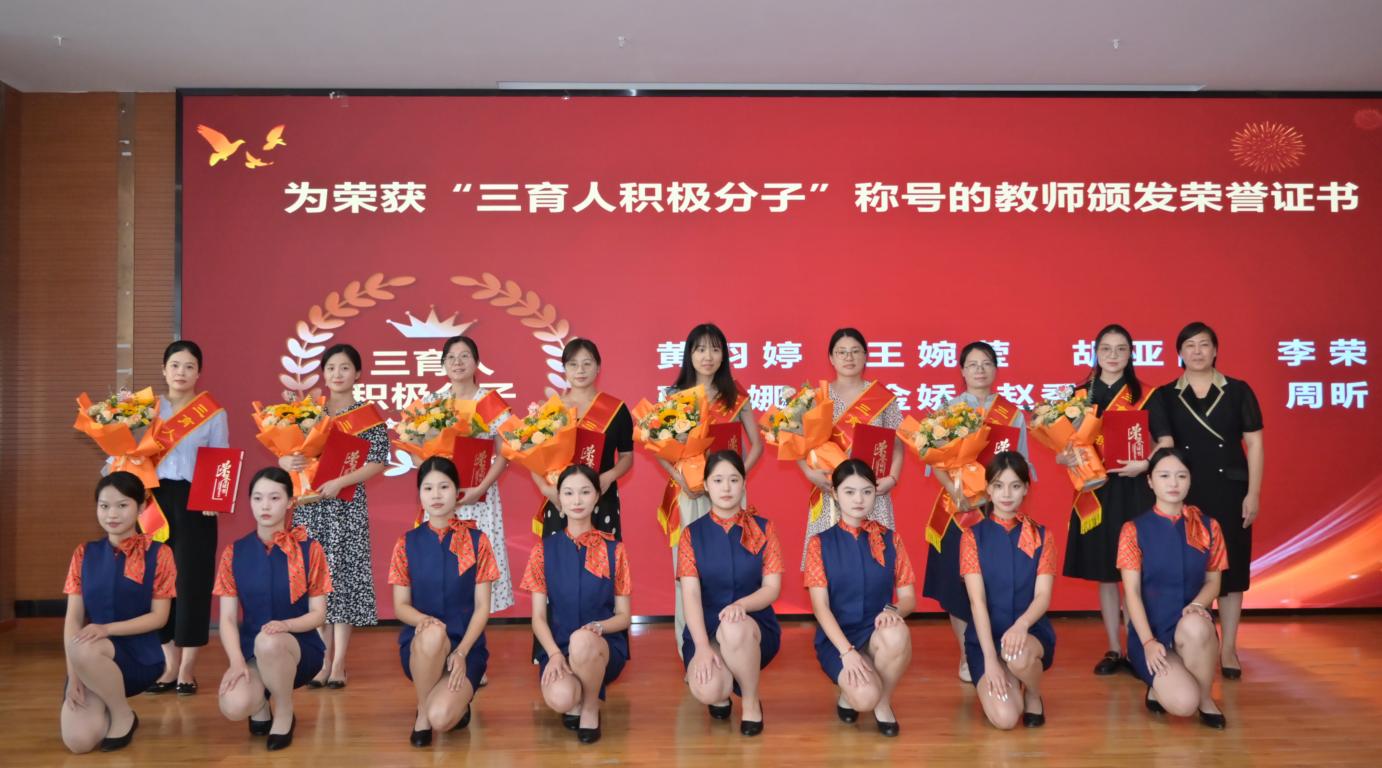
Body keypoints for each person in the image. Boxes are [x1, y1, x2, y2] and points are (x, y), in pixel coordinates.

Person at [1150, 321, 1263, 679]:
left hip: (1230, 490)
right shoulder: (1166, 395)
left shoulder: (1238, 390)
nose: (1197, 352)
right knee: (1187, 571)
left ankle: (1228, 648)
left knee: (1231, 573)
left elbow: (1255, 444)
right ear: (1179, 353)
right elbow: (1164, 446)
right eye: (1189, 345)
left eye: (1204, 345)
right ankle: (1188, 642)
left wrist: (1253, 492)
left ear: (1215, 350)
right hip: (1184, 493)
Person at [922, 341, 1033, 682]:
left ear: (996, 369)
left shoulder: (1012, 414)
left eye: (986, 363)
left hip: (998, 510)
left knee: (996, 584)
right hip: (958, 509)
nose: (980, 370)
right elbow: (934, 460)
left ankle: (998, 651)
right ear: (962, 370)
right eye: (972, 364)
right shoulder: (948, 410)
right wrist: (956, 492)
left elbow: (1022, 464)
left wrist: (1001, 496)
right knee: (957, 587)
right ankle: (967, 655)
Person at [1058, 324, 1160, 675]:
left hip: (1135, 488)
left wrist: (1146, 464)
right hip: (1096, 491)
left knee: (1135, 571)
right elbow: (1063, 444)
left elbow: (1165, 440)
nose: (1113, 355)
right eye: (1106, 349)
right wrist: (1064, 457)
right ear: (1096, 353)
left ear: (1131, 354)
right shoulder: (1079, 395)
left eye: (1120, 349)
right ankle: (1115, 648)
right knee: (1106, 574)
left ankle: (1138, 647)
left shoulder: (1146, 394)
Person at [284, 343, 388, 688]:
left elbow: (378, 461)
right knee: (316, 582)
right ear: (323, 374)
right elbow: (290, 452)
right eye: (331, 368)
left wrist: (341, 481)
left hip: (346, 505)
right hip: (310, 508)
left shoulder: (367, 416)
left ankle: (339, 662)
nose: (337, 374)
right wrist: (287, 461)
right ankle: (321, 660)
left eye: (345, 368)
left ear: (358, 373)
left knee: (343, 581)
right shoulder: (308, 413)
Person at [659, 323, 763, 655]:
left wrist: (736, 479)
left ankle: (733, 645)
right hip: (690, 496)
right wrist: (681, 481)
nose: (708, 356)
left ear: (724, 355)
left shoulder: (735, 394)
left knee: (733, 568)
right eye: (701, 349)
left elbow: (757, 444)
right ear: (689, 354)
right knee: (688, 575)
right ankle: (691, 651)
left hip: (730, 498)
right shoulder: (676, 396)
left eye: (715, 349)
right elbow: (660, 449)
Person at [214, 467, 332, 750]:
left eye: (274, 498)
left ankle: (284, 710)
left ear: (290, 502)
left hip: (299, 648)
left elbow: (319, 614)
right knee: (234, 705)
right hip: (253, 651)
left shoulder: (310, 549)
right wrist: (236, 662)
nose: (265, 506)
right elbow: (227, 619)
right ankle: (260, 706)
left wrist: (286, 626)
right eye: (257, 498)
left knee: (269, 641)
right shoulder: (234, 552)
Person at [60, 472, 176, 753]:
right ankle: (108, 705)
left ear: (140, 506)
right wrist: (74, 675)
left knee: (86, 646)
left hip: (140, 658)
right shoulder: (83, 553)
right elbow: (73, 619)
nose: (112, 514)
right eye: (104, 506)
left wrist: (106, 629)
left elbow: (159, 617)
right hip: (89, 659)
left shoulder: (160, 554)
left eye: (122, 505)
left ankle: (122, 714)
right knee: (79, 742)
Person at [520, 465, 632, 744]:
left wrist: (598, 628)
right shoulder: (542, 550)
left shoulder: (614, 550)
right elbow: (538, 618)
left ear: (597, 496)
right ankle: (577, 693)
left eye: (585, 492)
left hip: (603, 647)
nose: (577, 500)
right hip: (558, 647)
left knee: (583, 640)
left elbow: (624, 617)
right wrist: (554, 654)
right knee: (561, 699)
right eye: (569, 493)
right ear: (558, 497)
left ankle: (591, 706)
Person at [389, 456, 497, 747]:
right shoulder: (406, 543)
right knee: (433, 634)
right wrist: (424, 622)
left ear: (457, 492)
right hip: (422, 645)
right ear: (419, 494)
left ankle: (450, 702)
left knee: (443, 718)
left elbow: (482, 607)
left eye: (444, 487)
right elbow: (401, 606)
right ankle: (422, 710)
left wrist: (461, 652)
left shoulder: (478, 540)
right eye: (428, 488)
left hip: (465, 646)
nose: (436, 495)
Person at [1118, 447, 1229, 729]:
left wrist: (1197, 605)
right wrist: (1147, 642)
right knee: (1182, 705)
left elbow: (1214, 582)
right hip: (1151, 631)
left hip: (1189, 628)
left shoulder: (1209, 527)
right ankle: (1160, 686)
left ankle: (1206, 698)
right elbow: (1131, 593)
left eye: (1181, 475)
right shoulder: (1133, 530)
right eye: (1164, 476)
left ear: (1190, 480)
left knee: (1196, 625)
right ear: (1150, 481)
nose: (1173, 483)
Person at [804, 459, 915, 737]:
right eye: (850, 491)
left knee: (897, 633)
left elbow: (908, 598)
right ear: (835, 493)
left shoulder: (890, 538)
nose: (858, 499)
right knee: (863, 698)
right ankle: (854, 692)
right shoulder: (820, 543)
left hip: (876, 631)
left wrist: (892, 611)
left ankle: (883, 702)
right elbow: (820, 607)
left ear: (876, 492)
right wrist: (848, 652)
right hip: (838, 638)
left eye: (866, 491)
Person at [142, 340, 229, 695]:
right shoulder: (146, 409)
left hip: (197, 502)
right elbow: (128, 454)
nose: (181, 372)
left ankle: (187, 669)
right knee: (157, 580)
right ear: (164, 370)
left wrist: (215, 498)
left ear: (199, 372)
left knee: (192, 582)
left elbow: (220, 458)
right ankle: (168, 665)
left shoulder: (211, 412)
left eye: (189, 366)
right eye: (175, 365)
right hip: (153, 500)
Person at [678, 450, 782, 736]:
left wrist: (741, 606)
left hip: (753, 626)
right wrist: (701, 646)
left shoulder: (763, 528)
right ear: (706, 485)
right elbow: (691, 595)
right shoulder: (691, 534)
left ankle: (750, 700)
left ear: (744, 483)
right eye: (718, 480)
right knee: (708, 688)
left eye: (734, 480)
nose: (726, 487)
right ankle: (721, 691)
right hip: (707, 628)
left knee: (734, 627)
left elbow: (772, 589)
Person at [961, 452, 1057, 730]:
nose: (1006, 494)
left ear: (1026, 488)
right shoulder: (972, 537)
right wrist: (990, 660)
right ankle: (1007, 675)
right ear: (988, 490)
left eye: (1015, 486)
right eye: (999, 486)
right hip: (986, 640)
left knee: (1017, 656)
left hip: (1029, 633)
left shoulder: (1042, 536)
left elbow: (1043, 596)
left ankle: (1033, 694)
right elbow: (977, 602)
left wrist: (1022, 625)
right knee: (1005, 719)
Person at [795, 328, 904, 565]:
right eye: (841, 352)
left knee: (876, 558)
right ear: (831, 358)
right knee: (829, 560)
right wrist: (809, 473)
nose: (849, 357)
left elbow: (898, 444)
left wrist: (893, 478)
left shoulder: (883, 397)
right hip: (830, 489)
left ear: (865, 356)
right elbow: (796, 440)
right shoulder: (816, 397)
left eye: (855, 351)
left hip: (871, 490)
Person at [424, 334, 515, 615]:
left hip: (479, 496)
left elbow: (505, 454)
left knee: (478, 566)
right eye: (451, 357)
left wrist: (480, 489)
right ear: (443, 364)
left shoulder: (489, 402)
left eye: (464, 356)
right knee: (442, 562)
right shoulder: (433, 402)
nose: (458, 362)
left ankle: (474, 635)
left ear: (476, 362)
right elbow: (419, 447)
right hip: (441, 497)